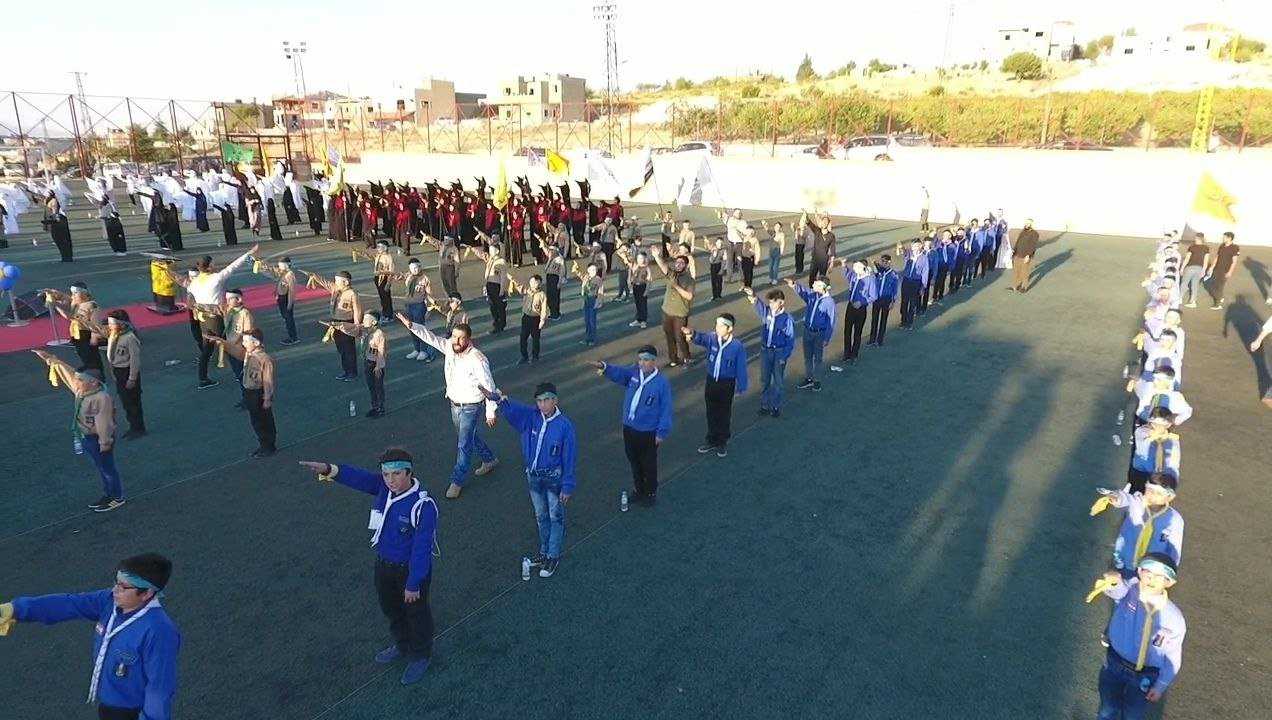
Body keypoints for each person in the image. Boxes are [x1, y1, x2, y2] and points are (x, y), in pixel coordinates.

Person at [298, 450, 437, 685]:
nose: (390, 480)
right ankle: (402, 644)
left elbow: (422, 549)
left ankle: (421, 654)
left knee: (416, 613)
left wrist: (414, 583)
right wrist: (328, 469)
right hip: (383, 565)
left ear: (409, 473)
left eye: (396, 474)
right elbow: (358, 478)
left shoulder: (423, 505)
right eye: (386, 474)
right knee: (391, 609)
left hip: (409, 571)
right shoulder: (384, 487)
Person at [1, 553, 181, 719]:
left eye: (124, 587)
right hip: (108, 707)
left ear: (147, 593)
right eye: (116, 582)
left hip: (133, 713)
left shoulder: (159, 631)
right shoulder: (109, 602)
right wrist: (17, 609)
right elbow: (70, 604)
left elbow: (159, 688)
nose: (115, 590)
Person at [480, 383, 578, 578]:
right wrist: (498, 399)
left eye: (546, 400)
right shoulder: (531, 416)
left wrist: (567, 485)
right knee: (541, 516)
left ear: (555, 400)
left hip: (553, 478)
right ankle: (544, 552)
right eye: (539, 401)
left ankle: (553, 555)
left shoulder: (565, 426)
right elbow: (514, 409)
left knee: (555, 517)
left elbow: (569, 457)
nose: (542, 405)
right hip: (533, 476)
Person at [397, 314, 499, 499]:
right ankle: (489, 458)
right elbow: (430, 337)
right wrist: (412, 326)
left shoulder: (478, 359)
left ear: (469, 339)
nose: (456, 341)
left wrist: (490, 411)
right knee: (468, 436)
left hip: (471, 406)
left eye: (461, 338)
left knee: (463, 443)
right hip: (454, 403)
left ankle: (457, 481)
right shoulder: (449, 347)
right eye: (454, 336)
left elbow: (489, 386)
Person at [1089, 554, 1185, 718]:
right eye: (1148, 572)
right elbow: (1117, 590)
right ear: (1139, 572)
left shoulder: (1174, 618)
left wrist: (1161, 685)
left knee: (1133, 714)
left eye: (1159, 576)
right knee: (1107, 708)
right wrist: (1114, 581)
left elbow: (1173, 655)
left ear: (1169, 582)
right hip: (1115, 663)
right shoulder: (1129, 592)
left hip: (1146, 675)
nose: (1151, 579)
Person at [32, 350, 125, 511]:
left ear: (94, 382)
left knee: (107, 468)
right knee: (102, 467)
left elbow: (104, 424)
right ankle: (108, 494)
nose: (77, 382)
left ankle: (116, 497)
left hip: (98, 438)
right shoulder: (83, 390)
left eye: (81, 380)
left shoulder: (101, 398)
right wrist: (52, 360)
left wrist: (104, 443)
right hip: (87, 437)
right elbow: (68, 373)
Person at [589, 345, 673, 506]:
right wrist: (604, 367)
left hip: (648, 431)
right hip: (629, 427)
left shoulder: (661, 383)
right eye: (640, 359)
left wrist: (661, 432)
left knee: (648, 463)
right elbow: (620, 373)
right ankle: (638, 489)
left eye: (646, 360)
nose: (642, 363)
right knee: (634, 460)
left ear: (654, 361)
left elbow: (666, 409)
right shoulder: (634, 372)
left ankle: (650, 492)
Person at [170, 246, 259, 389]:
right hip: (216, 318)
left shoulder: (194, 283)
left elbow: (180, 280)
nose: (215, 265)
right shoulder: (216, 278)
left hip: (203, 320)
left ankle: (203, 378)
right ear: (209, 266)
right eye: (213, 263)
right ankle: (241, 374)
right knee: (229, 345)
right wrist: (249, 253)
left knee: (207, 349)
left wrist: (167, 271)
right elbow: (233, 266)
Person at [1091, 473, 1183, 579]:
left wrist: (1167, 573)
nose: (1152, 496)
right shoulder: (1137, 502)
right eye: (1150, 490)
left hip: (1150, 572)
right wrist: (1116, 497)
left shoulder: (1175, 519)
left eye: (1159, 493)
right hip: (1122, 564)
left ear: (1170, 497)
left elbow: (1174, 551)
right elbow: (1125, 498)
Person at [203, 329, 277, 457]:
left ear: (256, 343)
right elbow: (236, 351)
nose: (243, 343)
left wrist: (267, 398)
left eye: (246, 341)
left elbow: (267, 380)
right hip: (249, 391)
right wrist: (220, 341)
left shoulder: (264, 359)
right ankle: (263, 443)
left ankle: (269, 445)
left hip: (258, 393)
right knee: (255, 420)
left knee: (264, 420)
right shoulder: (248, 354)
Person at [685, 314, 749, 457]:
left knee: (724, 413)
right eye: (717, 325)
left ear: (730, 328)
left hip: (726, 383)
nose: (717, 328)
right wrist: (692, 334)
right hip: (712, 381)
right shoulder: (712, 338)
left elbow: (741, 368)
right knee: (711, 411)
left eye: (721, 326)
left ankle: (722, 441)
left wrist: (741, 386)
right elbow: (701, 338)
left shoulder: (737, 346)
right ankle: (711, 439)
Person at [745, 286, 795, 417]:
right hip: (765, 351)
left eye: (773, 302)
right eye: (770, 302)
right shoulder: (767, 313)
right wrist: (752, 294)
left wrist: (784, 356)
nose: (771, 305)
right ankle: (765, 405)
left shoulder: (787, 319)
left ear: (781, 302)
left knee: (778, 381)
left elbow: (790, 340)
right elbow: (758, 305)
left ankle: (776, 406)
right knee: (765, 379)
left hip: (779, 352)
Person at [308, 270, 363, 381]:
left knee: (349, 349)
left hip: (346, 323)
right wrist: (315, 276)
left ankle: (352, 372)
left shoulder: (352, 293)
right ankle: (346, 370)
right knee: (341, 348)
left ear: (346, 282)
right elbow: (325, 282)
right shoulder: (335, 289)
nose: (335, 282)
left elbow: (358, 310)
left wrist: (357, 326)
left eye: (338, 280)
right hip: (335, 322)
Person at [46, 283, 105, 379]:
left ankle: (97, 373)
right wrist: (54, 298)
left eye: (75, 293)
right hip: (77, 333)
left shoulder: (91, 305)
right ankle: (88, 366)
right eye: (72, 293)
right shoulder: (76, 302)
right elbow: (68, 312)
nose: (73, 295)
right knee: (82, 352)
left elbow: (96, 323)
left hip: (86, 333)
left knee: (90, 354)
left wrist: (94, 337)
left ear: (84, 294)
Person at [787, 276, 835, 392]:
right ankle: (809, 378)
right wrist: (794, 285)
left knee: (818, 358)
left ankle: (816, 380)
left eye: (816, 284)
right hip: (807, 331)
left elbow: (831, 321)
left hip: (819, 334)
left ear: (823, 287)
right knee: (807, 357)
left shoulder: (829, 302)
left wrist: (827, 338)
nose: (813, 285)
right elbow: (804, 293)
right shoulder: (813, 296)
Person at [650, 246, 695, 367]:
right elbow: (663, 267)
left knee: (680, 337)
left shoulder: (689, 280)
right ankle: (673, 358)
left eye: (681, 263)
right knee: (669, 337)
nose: (678, 265)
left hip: (680, 314)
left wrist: (676, 287)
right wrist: (657, 256)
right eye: (677, 262)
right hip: (667, 311)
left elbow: (689, 296)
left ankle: (687, 357)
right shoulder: (672, 274)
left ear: (686, 266)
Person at [104, 310, 146, 439]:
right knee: (126, 402)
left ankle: (138, 428)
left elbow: (134, 360)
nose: (109, 326)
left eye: (112, 323)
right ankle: (133, 425)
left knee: (133, 401)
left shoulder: (130, 338)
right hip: (118, 371)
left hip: (127, 371)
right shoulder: (113, 335)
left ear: (121, 324)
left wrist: (132, 378)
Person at [1129, 407, 1180, 493]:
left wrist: (1172, 480)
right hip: (1140, 473)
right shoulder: (1142, 432)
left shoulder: (1172, 441)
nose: (1156, 427)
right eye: (1154, 424)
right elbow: (1143, 447)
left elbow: (1173, 463)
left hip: (1159, 478)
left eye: (1161, 425)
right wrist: (1155, 436)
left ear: (1168, 425)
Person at [837, 259, 877, 365]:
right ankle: (846, 354)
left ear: (863, 268)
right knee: (847, 331)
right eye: (854, 267)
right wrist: (844, 265)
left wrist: (862, 302)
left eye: (857, 267)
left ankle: (854, 355)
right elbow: (847, 273)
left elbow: (874, 296)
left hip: (861, 309)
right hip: (850, 306)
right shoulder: (854, 276)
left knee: (857, 333)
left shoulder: (870, 280)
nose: (854, 269)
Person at [221, 288, 256, 409]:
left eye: (230, 299)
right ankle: (246, 397)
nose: (227, 301)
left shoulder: (245, 314)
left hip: (240, 349)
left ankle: (250, 399)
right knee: (239, 375)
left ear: (239, 299)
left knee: (244, 376)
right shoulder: (229, 311)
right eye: (226, 299)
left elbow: (248, 332)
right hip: (231, 347)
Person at [1127, 366, 1192, 426]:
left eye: (1159, 380)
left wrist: (1176, 420)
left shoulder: (1175, 397)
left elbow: (1188, 411)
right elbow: (1137, 383)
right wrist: (1132, 382)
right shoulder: (1148, 386)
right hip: (1142, 419)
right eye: (1154, 378)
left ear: (1168, 382)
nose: (1154, 381)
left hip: (1159, 426)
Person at [401, 258, 436, 362]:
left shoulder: (425, 279)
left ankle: (423, 350)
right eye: (413, 268)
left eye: (417, 267)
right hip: (409, 305)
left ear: (420, 267)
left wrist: (430, 308)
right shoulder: (409, 276)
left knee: (420, 328)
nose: (415, 270)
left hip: (419, 306)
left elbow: (429, 294)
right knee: (411, 327)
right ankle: (416, 349)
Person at [261, 257, 300, 345]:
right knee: (286, 317)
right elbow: (271, 272)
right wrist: (263, 266)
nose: (279, 267)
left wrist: (290, 303)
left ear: (286, 265)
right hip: (281, 298)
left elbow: (292, 290)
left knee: (289, 319)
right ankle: (292, 336)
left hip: (286, 299)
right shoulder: (282, 273)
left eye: (280, 265)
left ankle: (293, 337)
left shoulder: (290, 275)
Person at [360, 311, 388, 417]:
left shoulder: (379, 334)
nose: (363, 321)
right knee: (371, 386)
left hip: (376, 364)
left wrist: (378, 366)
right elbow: (351, 329)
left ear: (374, 322)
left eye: (366, 319)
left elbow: (381, 351)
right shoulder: (366, 332)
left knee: (378, 386)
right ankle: (374, 406)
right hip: (367, 361)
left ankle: (380, 408)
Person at [516, 274, 549, 363]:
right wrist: (513, 280)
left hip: (535, 319)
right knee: (523, 337)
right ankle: (524, 356)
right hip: (526, 317)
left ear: (540, 283)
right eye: (532, 282)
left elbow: (544, 309)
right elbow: (519, 287)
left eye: (536, 282)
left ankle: (535, 356)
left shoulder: (542, 295)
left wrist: (542, 320)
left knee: (535, 339)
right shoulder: (527, 291)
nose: (533, 284)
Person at [1205, 231, 1240, 310]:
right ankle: (1220, 297)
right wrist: (1211, 267)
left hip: (1225, 270)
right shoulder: (1221, 246)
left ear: (1229, 238)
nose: (1223, 238)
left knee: (1219, 286)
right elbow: (1217, 257)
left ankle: (1217, 304)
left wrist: (1230, 272)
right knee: (1212, 285)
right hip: (1217, 269)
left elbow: (1234, 261)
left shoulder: (1235, 248)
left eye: (1224, 237)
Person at [898, 240, 929, 329]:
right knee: (904, 302)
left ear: (921, 246)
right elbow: (903, 252)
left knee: (912, 303)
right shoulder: (909, 254)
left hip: (916, 282)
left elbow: (925, 272)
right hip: (906, 281)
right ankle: (903, 320)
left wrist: (923, 286)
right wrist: (901, 247)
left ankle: (910, 322)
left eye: (916, 246)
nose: (914, 248)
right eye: (913, 246)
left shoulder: (924, 258)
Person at [1178, 233, 1208, 308]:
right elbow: (1206, 260)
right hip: (1199, 268)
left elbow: (1187, 258)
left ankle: (1179, 298)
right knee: (1195, 285)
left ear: (1198, 238)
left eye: (1195, 238)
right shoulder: (1206, 248)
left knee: (1184, 283)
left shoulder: (1192, 247)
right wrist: (1204, 270)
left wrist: (1182, 268)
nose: (1194, 239)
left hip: (1190, 267)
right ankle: (1193, 301)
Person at [578, 262, 605, 346]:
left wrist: (599, 301)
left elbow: (600, 290)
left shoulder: (598, 279)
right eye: (591, 269)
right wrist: (577, 269)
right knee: (586, 320)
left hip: (593, 299)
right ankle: (587, 337)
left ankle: (592, 339)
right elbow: (580, 275)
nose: (593, 271)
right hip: (586, 299)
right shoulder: (586, 277)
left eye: (594, 270)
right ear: (588, 270)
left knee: (592, 320)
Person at [1010, 219, 1040, 292]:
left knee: (1024, 272)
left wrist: (1028, 255)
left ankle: (1024, 287)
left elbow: (1033, 246)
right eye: (1026, 223)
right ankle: (1015, 286)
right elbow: (1018, 242)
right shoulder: (1023, 232)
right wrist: (1014, 250)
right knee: (1016, 271)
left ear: (1031, 224)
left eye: (1028, 223)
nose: (1026, 224)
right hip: (1017, 254)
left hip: (1025, 255)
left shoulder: (1034, 234)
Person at [628, 251, 652, 329]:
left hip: (643, 287)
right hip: (636, 287)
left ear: (645, 259)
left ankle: (643, 321)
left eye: (641, 258)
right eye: (638, 258)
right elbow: (632, 276)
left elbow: (649, 280)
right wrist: (631, 283)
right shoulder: (635, 266)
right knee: (637, 303)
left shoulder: (647, 268)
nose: (640, 260)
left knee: (643, 304)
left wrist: (647, 290)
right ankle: (638, 319)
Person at [762, 219, 786, 286]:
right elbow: (767, 229)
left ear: (780, 228)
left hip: (777, 251)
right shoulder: (772, 233)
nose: (776, 228)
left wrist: (781, 252)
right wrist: (764, 223)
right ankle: (771, 278)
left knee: (775, 267)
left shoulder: (782, 234)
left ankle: (775, 279)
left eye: (778, 227)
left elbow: (782, 243)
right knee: (770, 266)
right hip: (771, 251)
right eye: (776, 226)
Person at [544, 244, 565, 319]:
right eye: (550, 250)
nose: (550, 252)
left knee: (555, 296)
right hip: (549, 278)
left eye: (552, 250)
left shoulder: (560, 259)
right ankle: (552, 312)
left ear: (556, 251)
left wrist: (559, 281)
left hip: (555, 278)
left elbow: (562, 271)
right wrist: (549, 260)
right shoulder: (551, 259)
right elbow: (545, 270)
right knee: (549, 296)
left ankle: (556, 314)